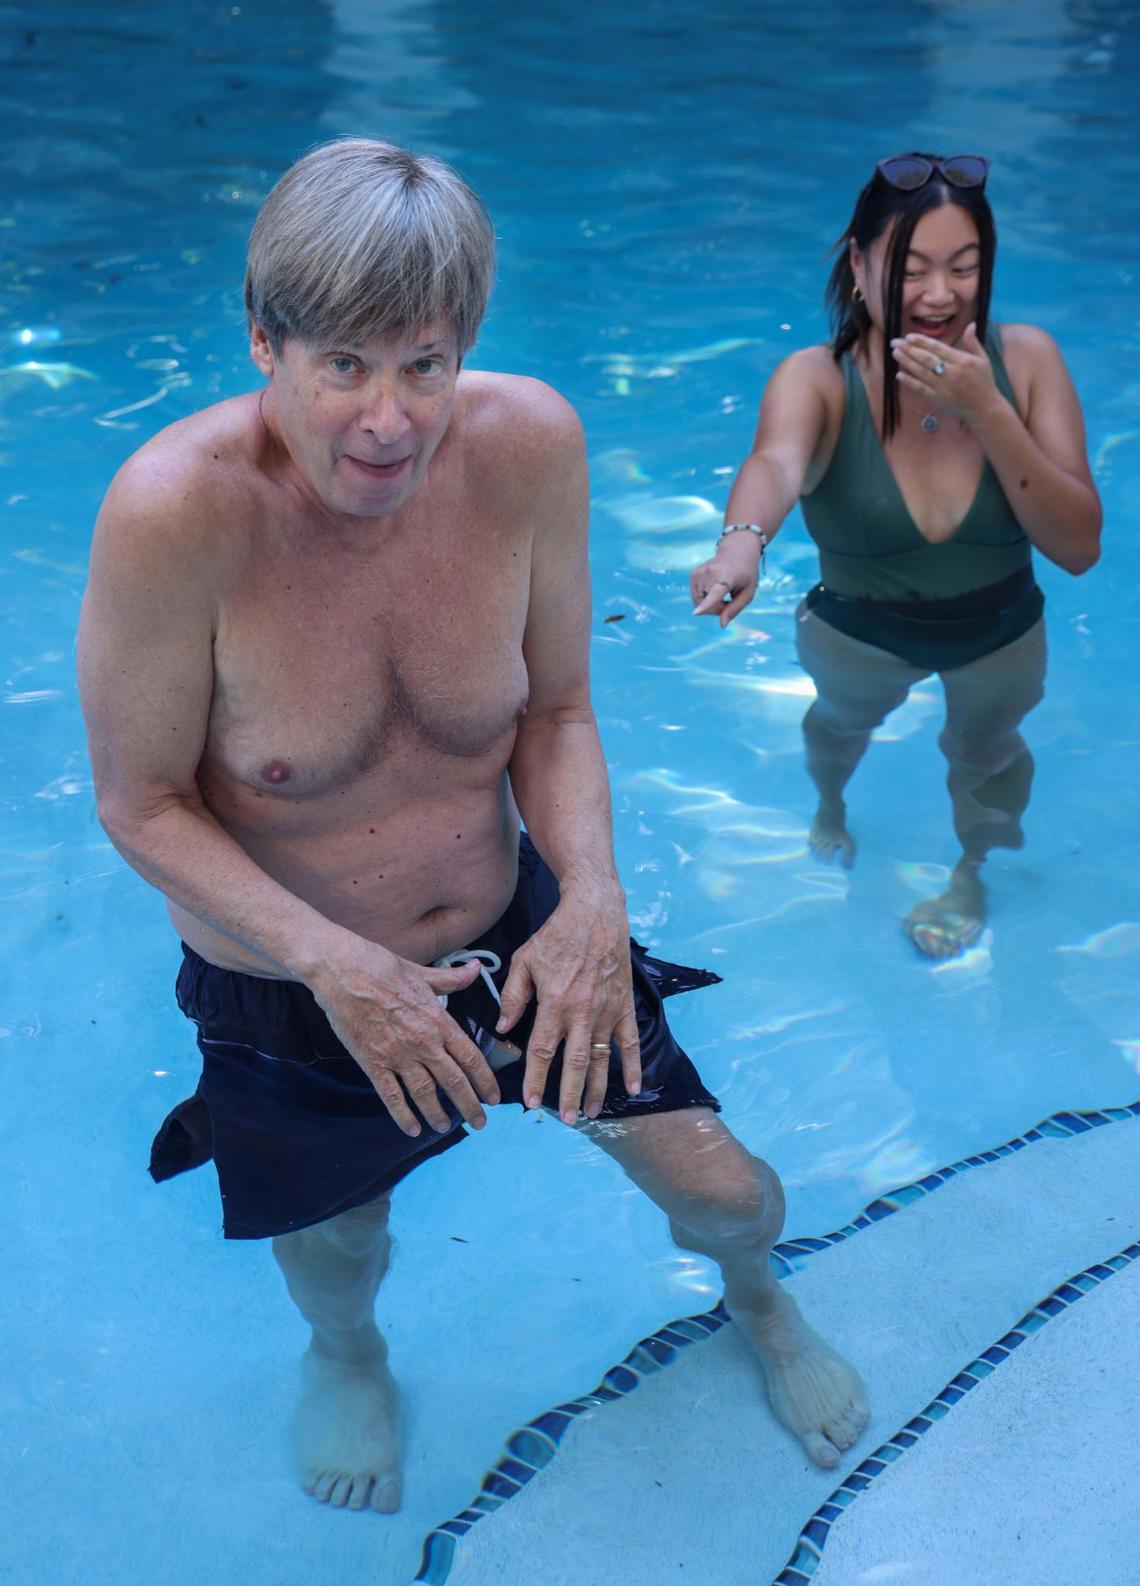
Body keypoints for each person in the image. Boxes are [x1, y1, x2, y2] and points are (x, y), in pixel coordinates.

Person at [78, 138, 868, 1514]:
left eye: (425, 365)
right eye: (344, 367)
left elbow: (557, 713)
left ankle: (761, 1304)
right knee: (339, 1244)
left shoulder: (526, 449)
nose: (388, 419)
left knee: (732, 1195)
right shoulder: (175, 515)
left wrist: (593, 904)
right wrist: (338, 966)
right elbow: (139, 803)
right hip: (290, 987)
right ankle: (348, 1357)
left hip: (523, 928)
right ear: (264, 340)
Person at [692, 153, 1101, 957]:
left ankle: (971, 877)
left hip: (1000, 629)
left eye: (965, 268)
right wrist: (740, 545)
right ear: (857, 264)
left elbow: (1080, 547)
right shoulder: (817, 378)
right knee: (841, 726)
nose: (940, 295)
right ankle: (830, 807)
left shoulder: (1029, 365)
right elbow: (774, 461)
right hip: (858, 628)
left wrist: (986, 409)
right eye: (911, 270)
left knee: (988, 759)